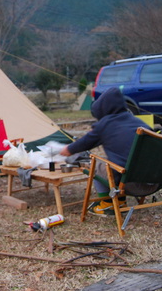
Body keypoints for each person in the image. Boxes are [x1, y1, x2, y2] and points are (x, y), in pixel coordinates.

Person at [60, 87, 152, 216]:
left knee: (95, 164)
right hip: (155, 181)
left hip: (131, 184)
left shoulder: (105, 124)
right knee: (118, 162)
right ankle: (120, 201)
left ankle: (107, 204)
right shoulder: (138, 123)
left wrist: (66, 149)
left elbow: (83, 144)